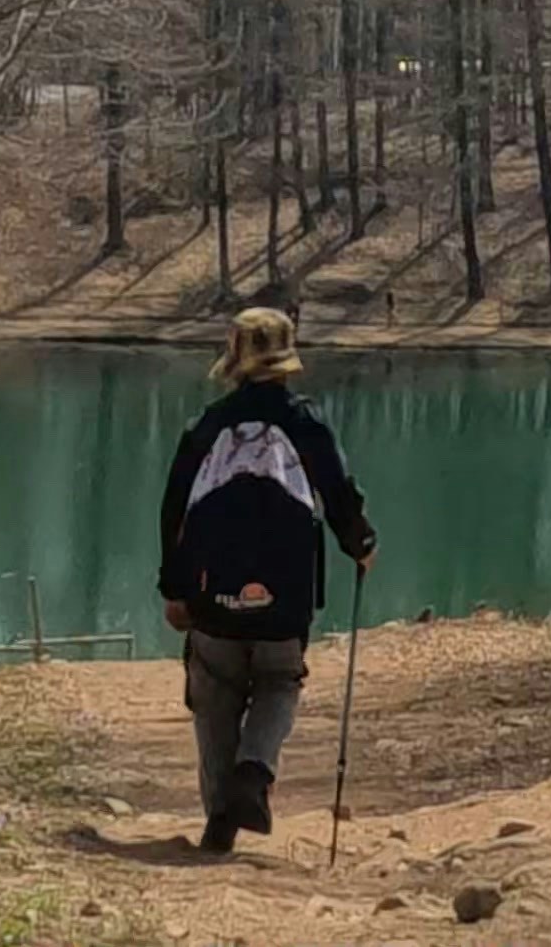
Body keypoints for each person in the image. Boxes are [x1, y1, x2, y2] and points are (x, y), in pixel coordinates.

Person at [156, 306, 374, 855]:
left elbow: (174, 508)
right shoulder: (306, 424)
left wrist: (175, 588)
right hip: (288, 596)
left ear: (235, 360)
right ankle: (253, 774)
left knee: (213, 694)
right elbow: (339, 495)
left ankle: (219, 824)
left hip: (213, 597)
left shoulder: (206, 426)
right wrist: (361, 546)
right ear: (286, 362)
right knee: (279, 682)